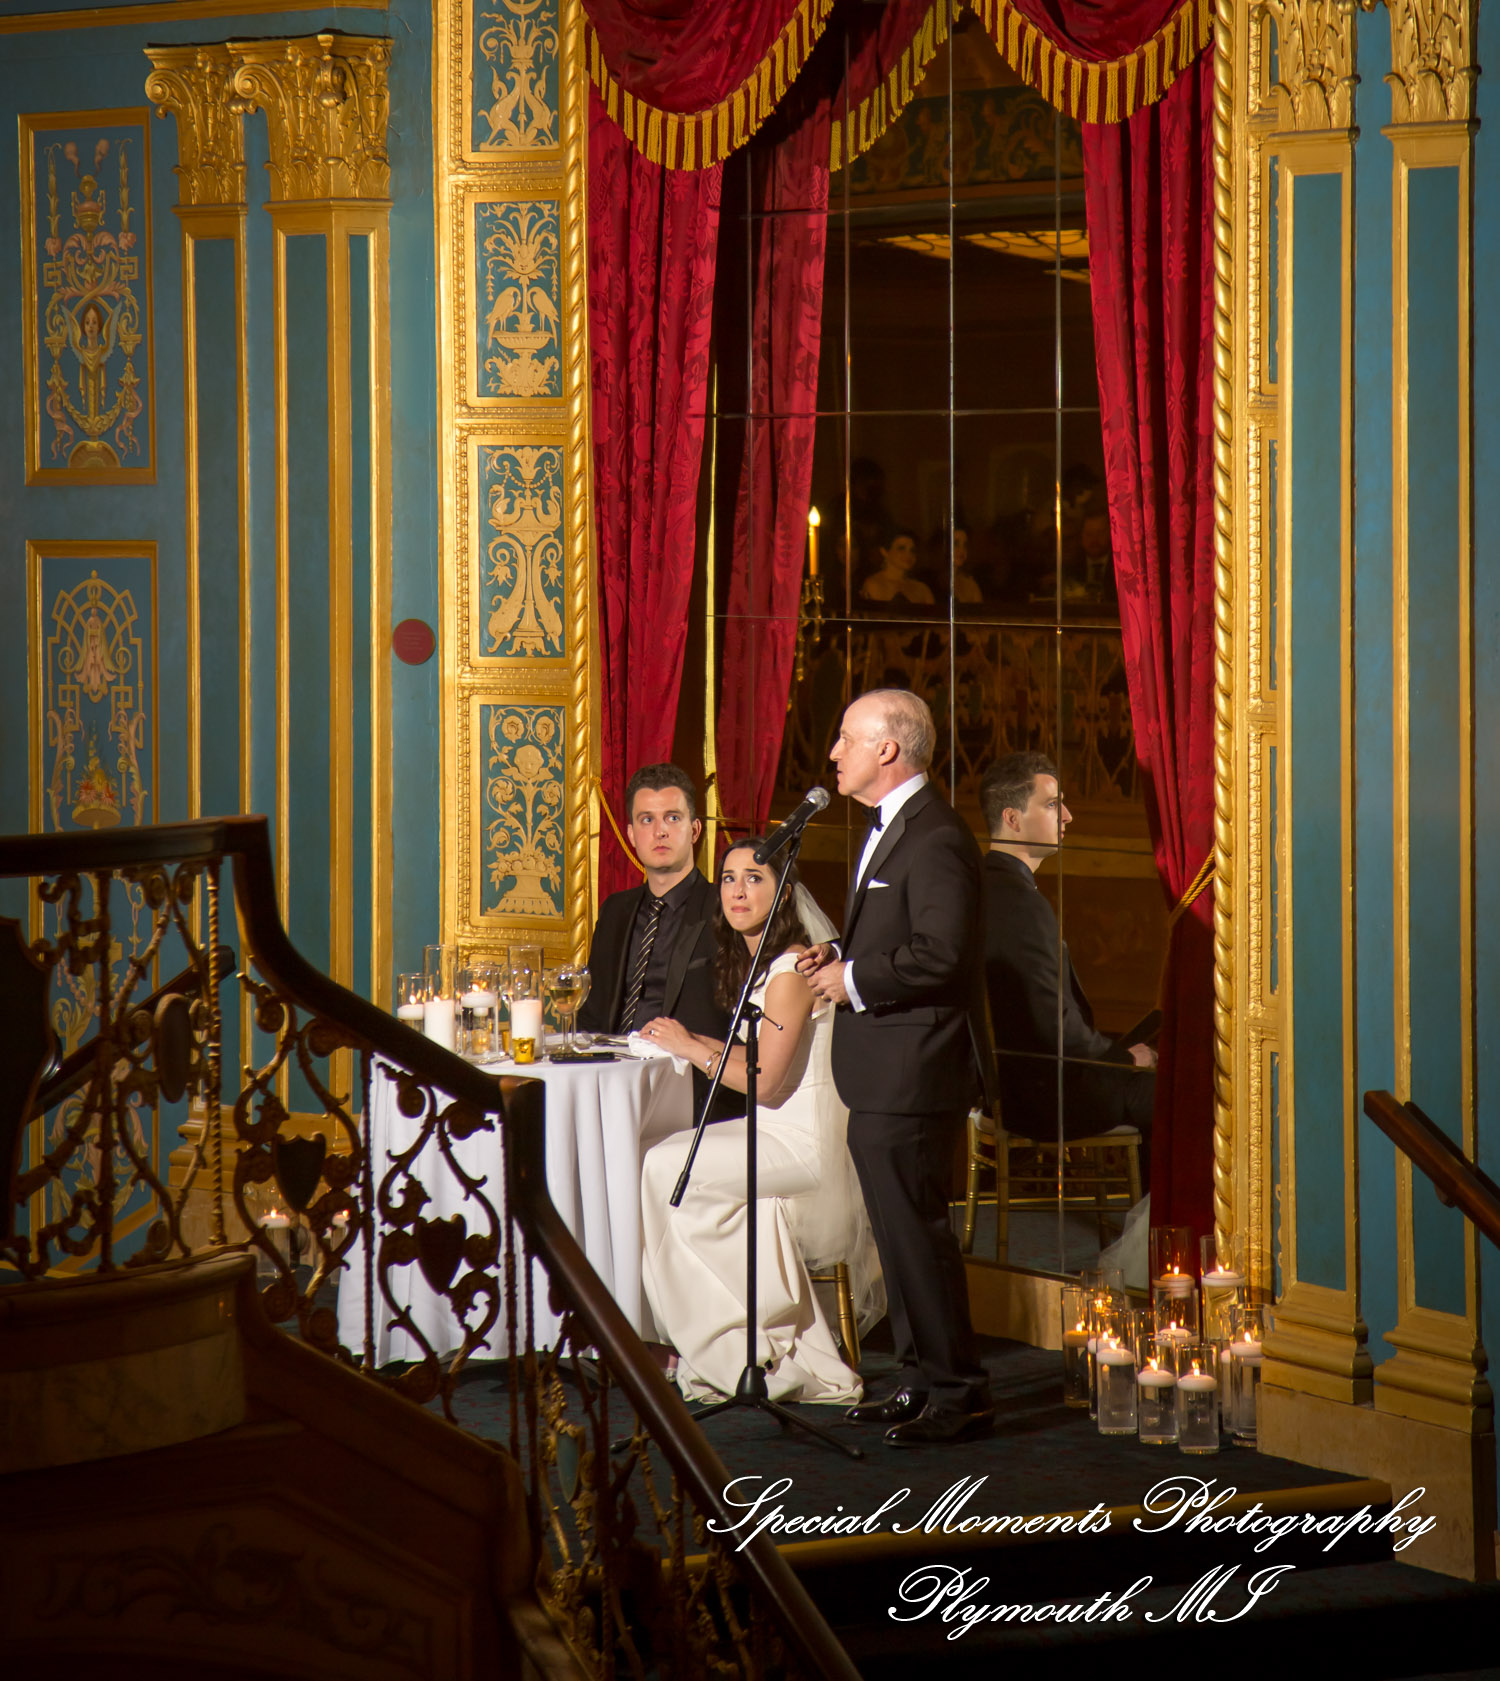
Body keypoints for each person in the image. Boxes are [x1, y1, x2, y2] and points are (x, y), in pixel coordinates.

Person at [798, 689, 997, 1446]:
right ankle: (919, 1378)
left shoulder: (936, 835)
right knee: (895, 1232)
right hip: (884, 1065)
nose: (833, 752)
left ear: (889, 749)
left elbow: (942, 954)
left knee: (918, 1232)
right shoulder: (891, 828)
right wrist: (840, 956)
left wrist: (851, 981)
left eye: (847, 738)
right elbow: (900, 938)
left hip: (915, 1068)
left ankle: (960, 1390)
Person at [637, 843, 883, 1403]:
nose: (737, 891)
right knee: (663, 1158)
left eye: (754, 878)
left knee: (665, 1166)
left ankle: (728, 1346)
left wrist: (690, 1048)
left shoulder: (792, 969)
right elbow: (753, 1052)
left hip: (800, 1143)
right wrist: (690, 1039)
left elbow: (767, 1081)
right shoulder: (763, 965)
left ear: (785, 894)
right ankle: (725, 1337)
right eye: (727, 878)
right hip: (771, 1131)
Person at [979, 751, 1154, 1156]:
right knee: (1177, 1097)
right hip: (1042, 1097)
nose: (1068, 816)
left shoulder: (990, 886)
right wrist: (1124, 1060)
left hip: (1020, 1086)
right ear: (1012, 818)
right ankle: (1158, 1220)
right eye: (1053, 804)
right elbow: (1052, 1027)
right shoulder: (1019, 904)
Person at [576, 764, 738, 1119]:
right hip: (608, 1079)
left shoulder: (726, 908)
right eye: (647, 820)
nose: (660, 831)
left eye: (672, 818)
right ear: (632, 834)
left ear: (694, 829)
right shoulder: (615, 910)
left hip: (689, 1088)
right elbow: (592, 1009)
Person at [859, 529, 935, 606]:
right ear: (884, 552)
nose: (908, 554)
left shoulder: (922, 589)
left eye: (912, 550)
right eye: (901, 549)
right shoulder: (873, 584)